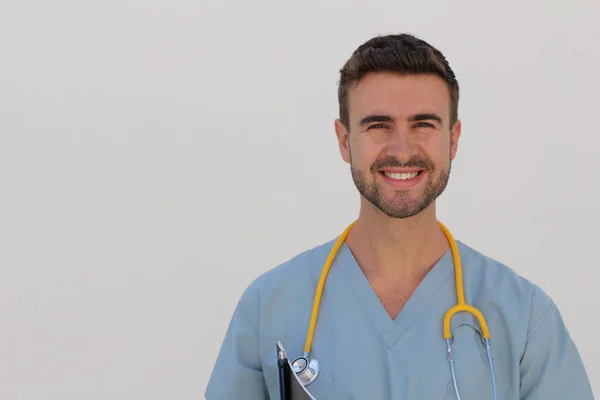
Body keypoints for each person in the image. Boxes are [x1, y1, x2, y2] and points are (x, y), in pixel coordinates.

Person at [204, 33, 594, 399]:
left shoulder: (523, 316)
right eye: (379, 125)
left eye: (423, 124)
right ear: (344, 141)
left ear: (453, 139)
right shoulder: (270, 306)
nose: (402, 149)